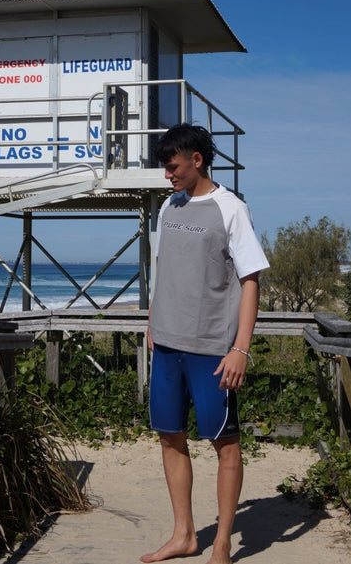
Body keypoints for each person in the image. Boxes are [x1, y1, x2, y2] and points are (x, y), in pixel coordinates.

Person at [141, 123, 269, 564]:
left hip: (214, 350)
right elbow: (164, 271)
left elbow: (250, 280)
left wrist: (241, 348)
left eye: (172, 166)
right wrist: (153, 320)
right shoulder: (169, 208)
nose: (167, 176)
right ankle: (184, 536)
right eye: (165, 168)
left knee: (225, 443)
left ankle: (221, 543)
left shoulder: (231, 208)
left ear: (197, 159)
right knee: (169, 437)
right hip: (168, 345)